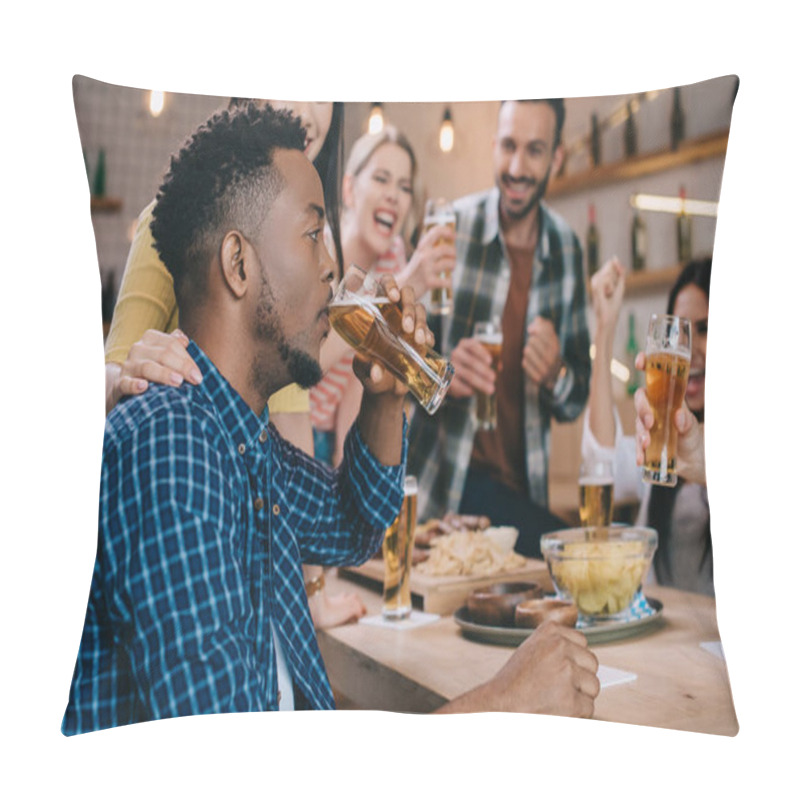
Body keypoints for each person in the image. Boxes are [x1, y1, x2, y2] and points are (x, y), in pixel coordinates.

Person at [62, 103, 599, 735]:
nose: (331, 266)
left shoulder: (243, 440)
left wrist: (386, 394)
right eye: (314, 233)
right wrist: (500, 707)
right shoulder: (173, 448)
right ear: (239, 264)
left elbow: (356, 525)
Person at [102, 97, 365, 629]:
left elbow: (293, 439)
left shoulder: (295, 272)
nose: (306, 106)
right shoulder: (178, 225)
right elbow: (107, 384)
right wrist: (123, 372)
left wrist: (309, 591)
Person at [407, 99, 592, 559]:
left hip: (521, 496)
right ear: (493, 146)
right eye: (508, 146)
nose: (516, 167)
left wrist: (555, 375)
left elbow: (575, 400)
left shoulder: (567, 249)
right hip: (443, 492)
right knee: (571, 555)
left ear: (556, 158)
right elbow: (396, 362)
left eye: (533, 151)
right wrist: (444, 376)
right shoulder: (450, 229)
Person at [309, 125, 456, 466]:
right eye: (381, 179)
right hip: (296, 425)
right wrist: (408, 283)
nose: (394, 194)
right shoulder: (320, 250)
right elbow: (309, 363)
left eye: (404, 187)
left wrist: (345, 459)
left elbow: (363, 367)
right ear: (349, 190)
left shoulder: (393, 256)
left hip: (340, 430)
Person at [584, 256, 713, 595]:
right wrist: (604, 325)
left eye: (705, 329)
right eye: (682, 332)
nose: (691, 349)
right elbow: (603, 457)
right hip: (663, 638)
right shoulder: (661, 442)